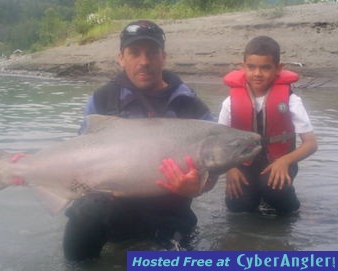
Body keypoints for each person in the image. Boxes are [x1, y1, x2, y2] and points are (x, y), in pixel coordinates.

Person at [62, 20, 215, 261]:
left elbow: (213, 167)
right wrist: (32, 172)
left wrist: (198, 188)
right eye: (134, 53)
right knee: (85, 214)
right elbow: (80, 163)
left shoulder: (190, 106)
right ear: (121, 58)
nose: (144, 61)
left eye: (152, 52)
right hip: (114, 208)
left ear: (163, 57)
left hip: (171, 210)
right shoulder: (102, 101)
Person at [218, 36, 318, 214]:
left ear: (278, 68)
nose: (257, 73)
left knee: (276, 194)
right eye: (251, 67)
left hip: (279, 162)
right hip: (243, 164)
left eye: (265, 67)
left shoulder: (291, 100)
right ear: (243, 66)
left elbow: (311, 143)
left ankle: (295, 208)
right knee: (237, 205)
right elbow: (218, 141)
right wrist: (230, 168)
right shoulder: (229, 103)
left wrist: (285, 161)